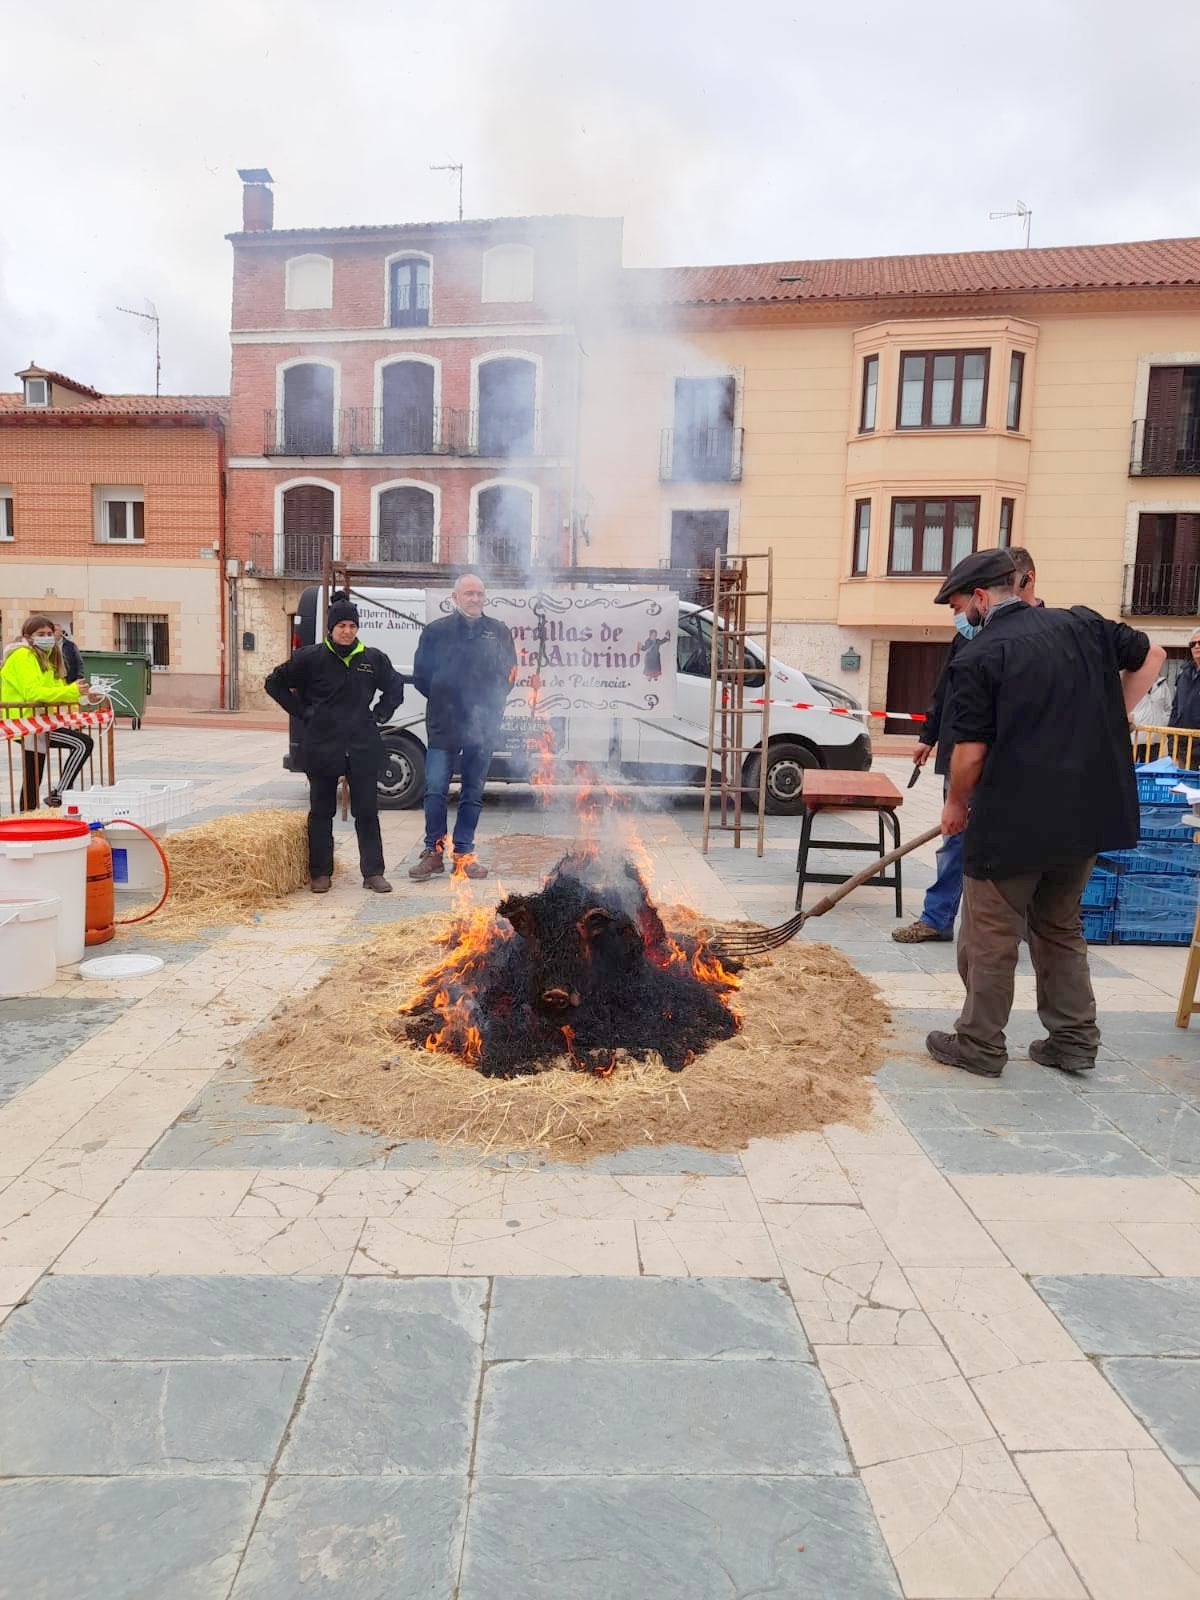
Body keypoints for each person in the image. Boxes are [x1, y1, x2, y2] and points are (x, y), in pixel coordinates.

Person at [925, 548, 1164, 1078]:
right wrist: (1114, 712)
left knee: (989, 934)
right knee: (1059, 928)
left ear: (983, 598)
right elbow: (1155, 655)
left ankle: (980, 1044)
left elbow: (969, 754)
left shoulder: (980, 655)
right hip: (1084, 816)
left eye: (961, 605)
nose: (960, 617)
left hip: (1012, 820)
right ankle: (1075, 1041)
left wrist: (955, 805)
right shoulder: (1083, 625)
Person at [894, 546, 1042, 944]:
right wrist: (929, 736)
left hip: (1008, 766)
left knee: (1009, 848)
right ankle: (937, 918)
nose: (958, 615)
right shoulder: (971, 635)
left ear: (1026, 580)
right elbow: (948, 687)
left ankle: (1021, 927)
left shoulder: (1045, 632)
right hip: (962, 756)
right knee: (954, 843)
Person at [264, 591, 405, 894]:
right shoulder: (310, 658)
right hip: (323, 746)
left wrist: (379, 714)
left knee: (366, 812)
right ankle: (320, 872)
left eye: (352, 626)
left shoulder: (372, 659)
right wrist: (303, 712)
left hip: (362, 747)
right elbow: (273, 683)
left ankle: (373, 872)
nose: (347, 631)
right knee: (321, 811)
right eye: (341, 625)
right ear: (331, 628)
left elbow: (395, 687)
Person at [408, 572, 517, 882]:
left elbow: (510, 674)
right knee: (434, 789)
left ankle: (464, 855)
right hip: (443, 725)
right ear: (454, 598)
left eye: (479, 594)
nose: (475, 599)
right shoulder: (435, 632)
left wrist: (490, 706)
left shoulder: (497, 632)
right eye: (468, 594)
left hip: (482, 727)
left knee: (472, 792)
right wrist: (446, 699)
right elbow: (421, 677)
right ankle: (433, 852)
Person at [1, 616, 96, 809]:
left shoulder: (46, 657)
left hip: (40, 722)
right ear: (28, 636)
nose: (46, 638)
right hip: (26, 722)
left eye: (49, 634)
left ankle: (28, 814)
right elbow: (33, 692)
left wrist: (80, 697)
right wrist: (72, 692)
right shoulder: (23, 656)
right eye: (41, 634)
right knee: (82, 743)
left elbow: (56, 691)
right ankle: (59, 794)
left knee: (34, 772)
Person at [1168, 628, 1200, 730]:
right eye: (1192, 644)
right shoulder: (1184, 673)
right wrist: (1171, 731)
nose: (1196, 646)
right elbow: (1176, 705)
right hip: (1180, 737)